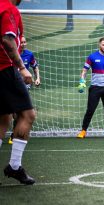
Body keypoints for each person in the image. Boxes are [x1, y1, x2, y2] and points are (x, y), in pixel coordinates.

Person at [0, 0, 36, 185]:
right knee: (28, 115)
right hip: (5, 68)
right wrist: (21, 67)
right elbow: (7, 39)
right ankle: (14, 167)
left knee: (4, 118)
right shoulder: (8, 8)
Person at [8, 36, 41, 145]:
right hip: (11, 86)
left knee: (21, 113)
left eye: (24, 42)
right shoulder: (12, 53)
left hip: (24, 86)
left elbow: (35, 66)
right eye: (21, 42)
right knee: (11, 113)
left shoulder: (29, 54)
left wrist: (38, 78)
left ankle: (14, 136)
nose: (23, 44)